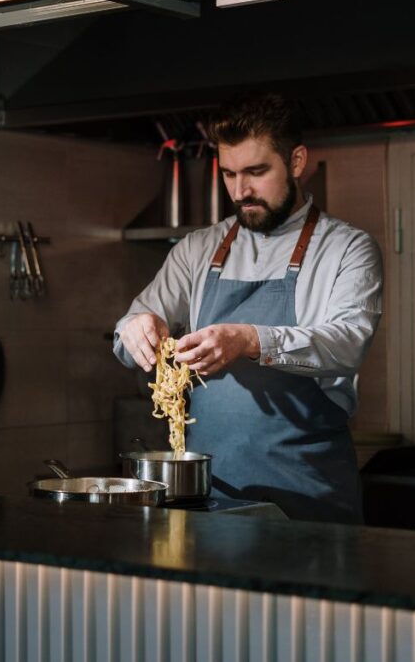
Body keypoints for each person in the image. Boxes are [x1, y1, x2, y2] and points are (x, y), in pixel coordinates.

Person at [113, 92, 383, 523]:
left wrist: (250, 340)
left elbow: (347, 343)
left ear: (296, 162)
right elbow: (129, 334)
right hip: (211, 498)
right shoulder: (198, 249)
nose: (241, 191)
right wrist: (134, 328)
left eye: (257, 172)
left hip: (309, 499)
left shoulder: (347, 248)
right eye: (230, 174)